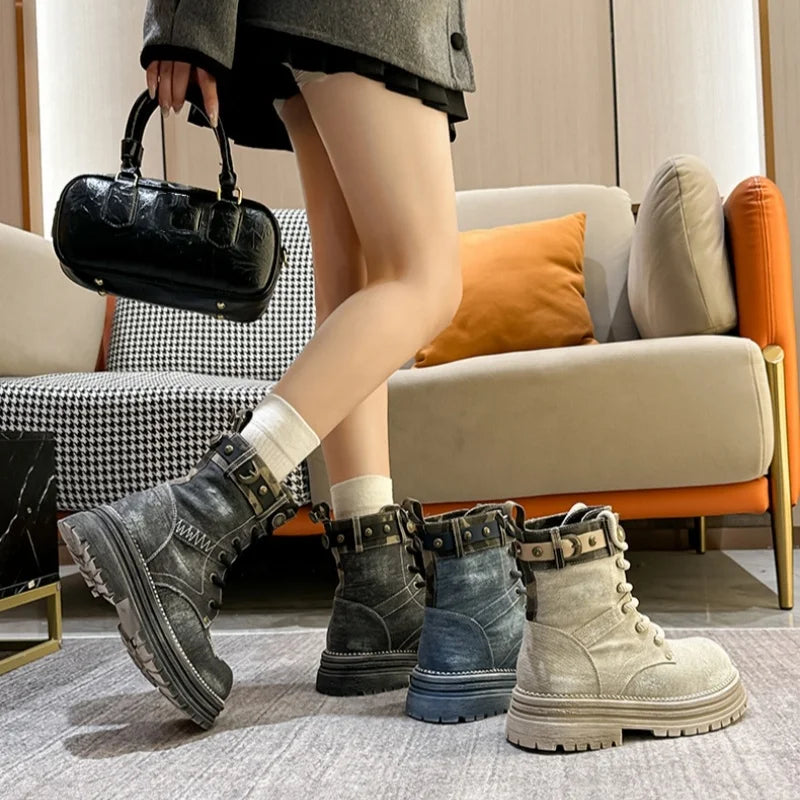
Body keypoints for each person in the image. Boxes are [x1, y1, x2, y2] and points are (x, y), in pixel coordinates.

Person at [58, 0, 747, 750]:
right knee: (426, 280)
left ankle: (375, 590)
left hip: (317, 21)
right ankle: (193, 516)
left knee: (358, 281)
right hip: (366, 16)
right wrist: (181, 21)